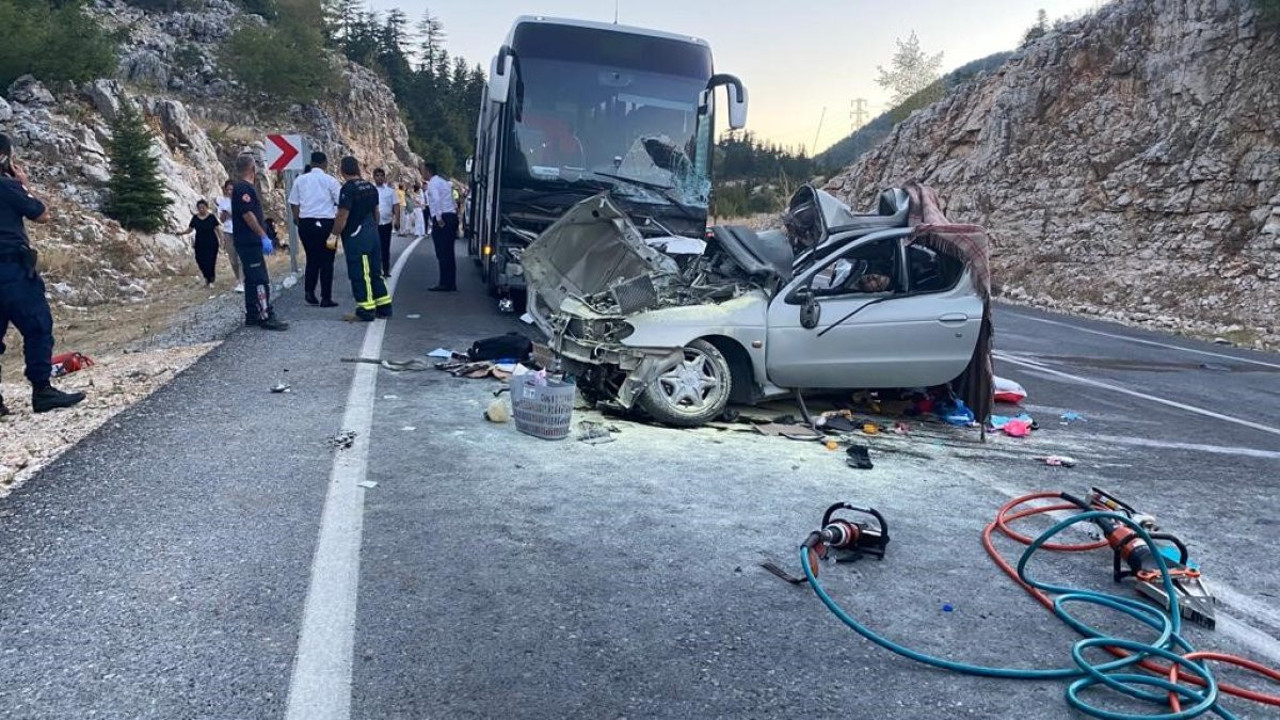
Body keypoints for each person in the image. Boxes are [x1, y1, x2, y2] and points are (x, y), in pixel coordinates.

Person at [0, 132, 86, 415]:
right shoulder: (8, 187)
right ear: (5, 158)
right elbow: (41, 214)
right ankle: (42, 390)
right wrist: (24, 184)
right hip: (11, 270)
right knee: (37, 328)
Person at [230, 154, 288, 331]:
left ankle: (253, 314)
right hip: (249, 241)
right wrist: (263, 235)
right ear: (253, 169)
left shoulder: (242, 188)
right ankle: (265, 315)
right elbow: (248, 215)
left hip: (246, 241)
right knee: (260, 279)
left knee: (251, 280)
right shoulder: (244, 189)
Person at [331, 156, 392, 321]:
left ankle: (366, 310)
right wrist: (373, 229)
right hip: (373, 233)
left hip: (357, 237)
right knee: (375, 272)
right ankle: (384, 307)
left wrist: (334, 234)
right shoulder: (370, 187)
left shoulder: (348, 189)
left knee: (360, 273)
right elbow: (376, 212)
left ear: (342, 171)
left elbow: (342, 215)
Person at [288, 151, 341, 307]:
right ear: (325, 164)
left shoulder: (300, 180)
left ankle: (309, 292)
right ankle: (326, 297)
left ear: (311, 164)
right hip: (328, 226)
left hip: (307, 224)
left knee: (312, 258)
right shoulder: (331, 181)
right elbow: (340, 202)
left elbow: (294, 203)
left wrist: (298, 221)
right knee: (328, 260)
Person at [424, 162, 459, 292]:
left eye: (424, 171)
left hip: (443, 217)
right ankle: (451, 282)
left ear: (428, 171)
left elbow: (437, 200)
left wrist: (438, 219)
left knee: (442, 252)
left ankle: (444, 283)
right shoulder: (444, 182)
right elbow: (452, 201)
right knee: (449, 252)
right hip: (451, 215)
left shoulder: (433, 184)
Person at [181, 199, 221, 287]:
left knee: (211, 260)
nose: (201, 209)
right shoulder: (195, 218)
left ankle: (210, 278)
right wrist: (182, 233)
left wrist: (221, 240)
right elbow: (190, 229)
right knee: (200, 260)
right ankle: (206, 276)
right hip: (200, 243)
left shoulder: (211, 217)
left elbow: (217, 229)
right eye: (199, 208)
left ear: (207, 207)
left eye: (203, 207)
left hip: (212, 242)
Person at [216, 180, 244, 293]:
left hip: (239, 230)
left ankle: (242, 281)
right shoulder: (223, 202)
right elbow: (222, 220)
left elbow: (243, 215)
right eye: (227, 189)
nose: (229, 191)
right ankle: (238, 278)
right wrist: (223, 214)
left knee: (240, 257)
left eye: (231, 189)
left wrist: (231, 214)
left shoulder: (240, 200)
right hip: (228, 231)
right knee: (232, 258)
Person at [372, 168, 399, 278]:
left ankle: (386, 269)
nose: (379, 177)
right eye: (377, 175)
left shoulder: (390, 191)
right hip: (373, 224)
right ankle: (375, 270)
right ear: (374, 177)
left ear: (384, 177)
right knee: (374, 248)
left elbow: (396, 205)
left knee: (385, 247)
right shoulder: (371, 190)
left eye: (381, 175)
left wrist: (397, 219)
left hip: (386, 223)